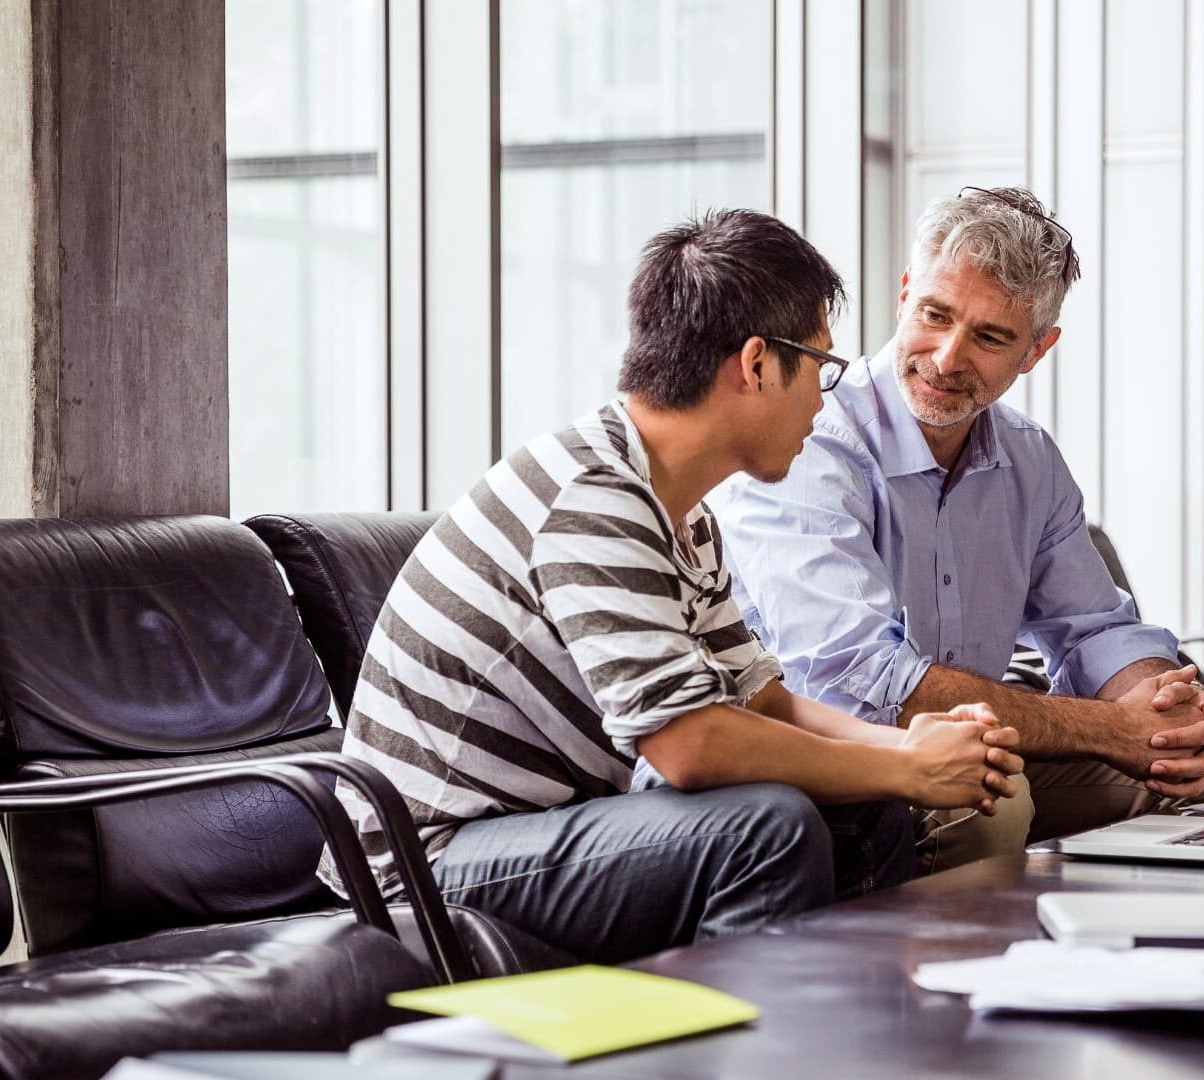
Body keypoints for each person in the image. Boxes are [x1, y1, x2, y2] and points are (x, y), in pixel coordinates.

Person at [323, 209, 1026, 962]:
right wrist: (907, 764)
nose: (825, 400)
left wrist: (907, 751)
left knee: (869, 806)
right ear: (756, 365)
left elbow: (764, 702)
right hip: (423, 866)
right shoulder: (592, 499)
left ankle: (857, 1032)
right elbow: (689, 744)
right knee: (768, 828)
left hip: (535, 832)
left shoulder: (679, 513)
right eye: (820, 368)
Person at [711, 187, 1204, 870]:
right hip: (837, 754)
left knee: (1190, 772)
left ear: (1037, 351)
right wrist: (1114, 727)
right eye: (934, 315)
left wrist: (1169, 710)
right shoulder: (809, 441)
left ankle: (1123, 971)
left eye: (990, 337)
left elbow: (1096, 629)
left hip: (973, 749)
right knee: (993, 797)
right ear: (905, 295)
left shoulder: (1028, 458)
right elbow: (863, 682)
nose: (948, 357)